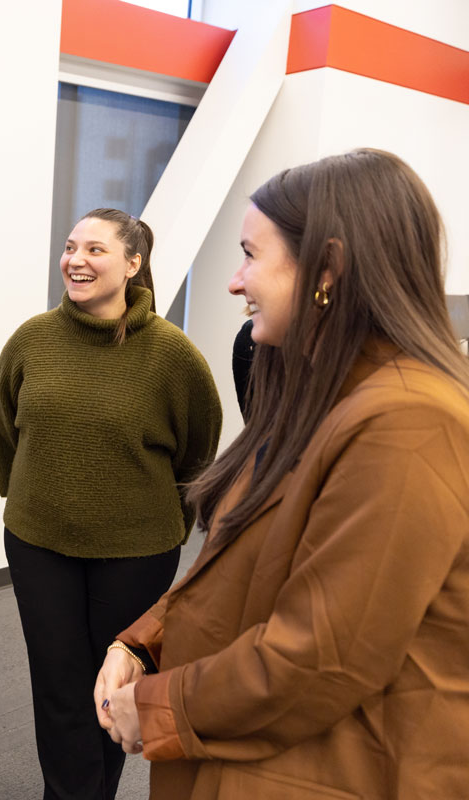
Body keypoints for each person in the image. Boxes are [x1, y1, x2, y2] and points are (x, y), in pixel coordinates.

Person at [95, 149, 469, 799]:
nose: (235, 281)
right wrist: (143, 642)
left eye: (250, 254)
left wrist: (155, 706)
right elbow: (238, 565)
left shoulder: (410, 425)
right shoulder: (321, 397)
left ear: (328, 270)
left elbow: (323, 656)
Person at [0, 209, 222, 799]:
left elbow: (197, 453)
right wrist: (33, 496)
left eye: (95, 249)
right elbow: (7, 432)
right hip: (38, 543)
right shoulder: (31, 340)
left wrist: (170, 521)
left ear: (133, 264)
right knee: (58, 687)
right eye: (71, 248)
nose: (76, 260)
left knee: (111, 689)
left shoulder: (174, 356)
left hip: (136, 551)